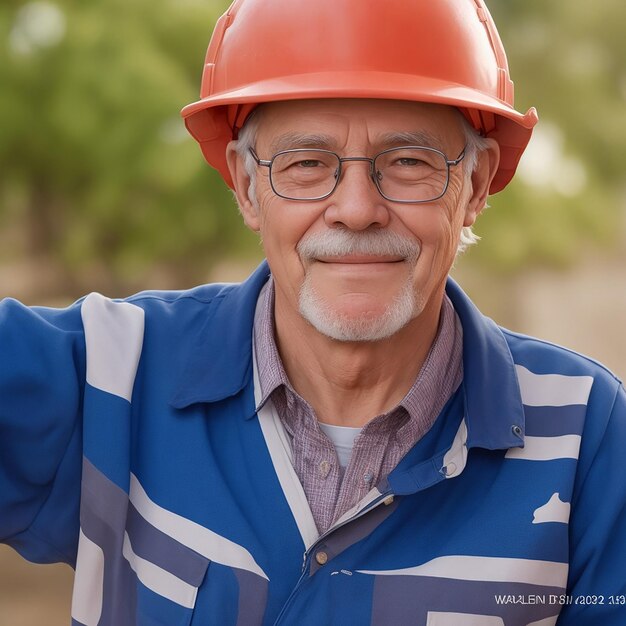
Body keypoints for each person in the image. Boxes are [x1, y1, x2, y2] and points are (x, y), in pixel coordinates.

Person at [1, 0, 625, 624]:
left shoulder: (590, 438)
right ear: (246, 187)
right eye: (306, 164)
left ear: (476, 185)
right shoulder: (111, 371)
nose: (356, 209)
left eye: (409, 161)